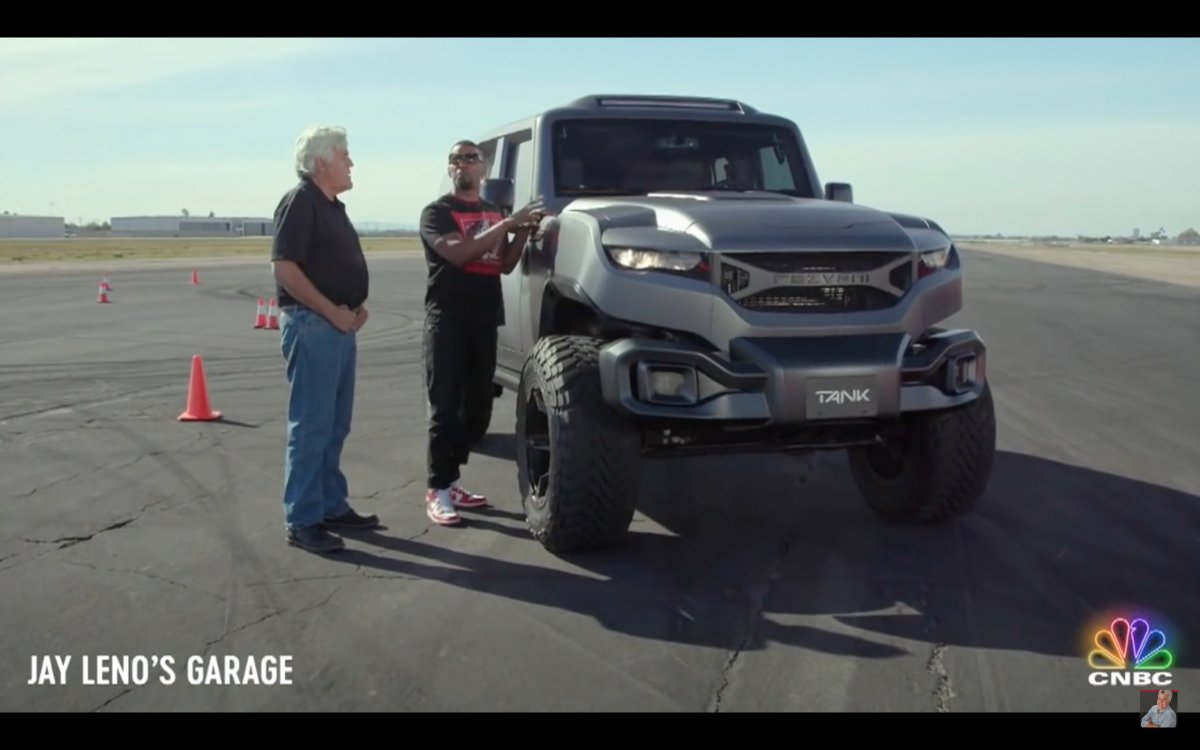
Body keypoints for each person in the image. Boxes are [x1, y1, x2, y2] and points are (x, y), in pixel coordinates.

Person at [419, 140, 550, 525]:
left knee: (476, 411)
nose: (462, 164)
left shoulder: (493, 211)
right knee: (444, 407)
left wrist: (524, 230)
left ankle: (452, 477)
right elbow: (460, 255)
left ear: (484, 168)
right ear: (449, 169)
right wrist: (509, 224)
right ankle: (438, 487)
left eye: (470, 159)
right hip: (447, 319)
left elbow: (506, 264)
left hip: (484, 318)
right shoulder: (437, 213)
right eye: (455, 159)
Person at [271, 125, 379, 553]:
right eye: (344, 156)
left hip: (337, 326)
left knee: (335, 424)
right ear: (320, 163)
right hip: (315, 327)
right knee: (312, 425)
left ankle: (330, 503)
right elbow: (286, 269)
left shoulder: (332, 206)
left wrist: (353, 305)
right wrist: (330, 310)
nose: (351, 163)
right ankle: (302, 519)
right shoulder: (300, 202)